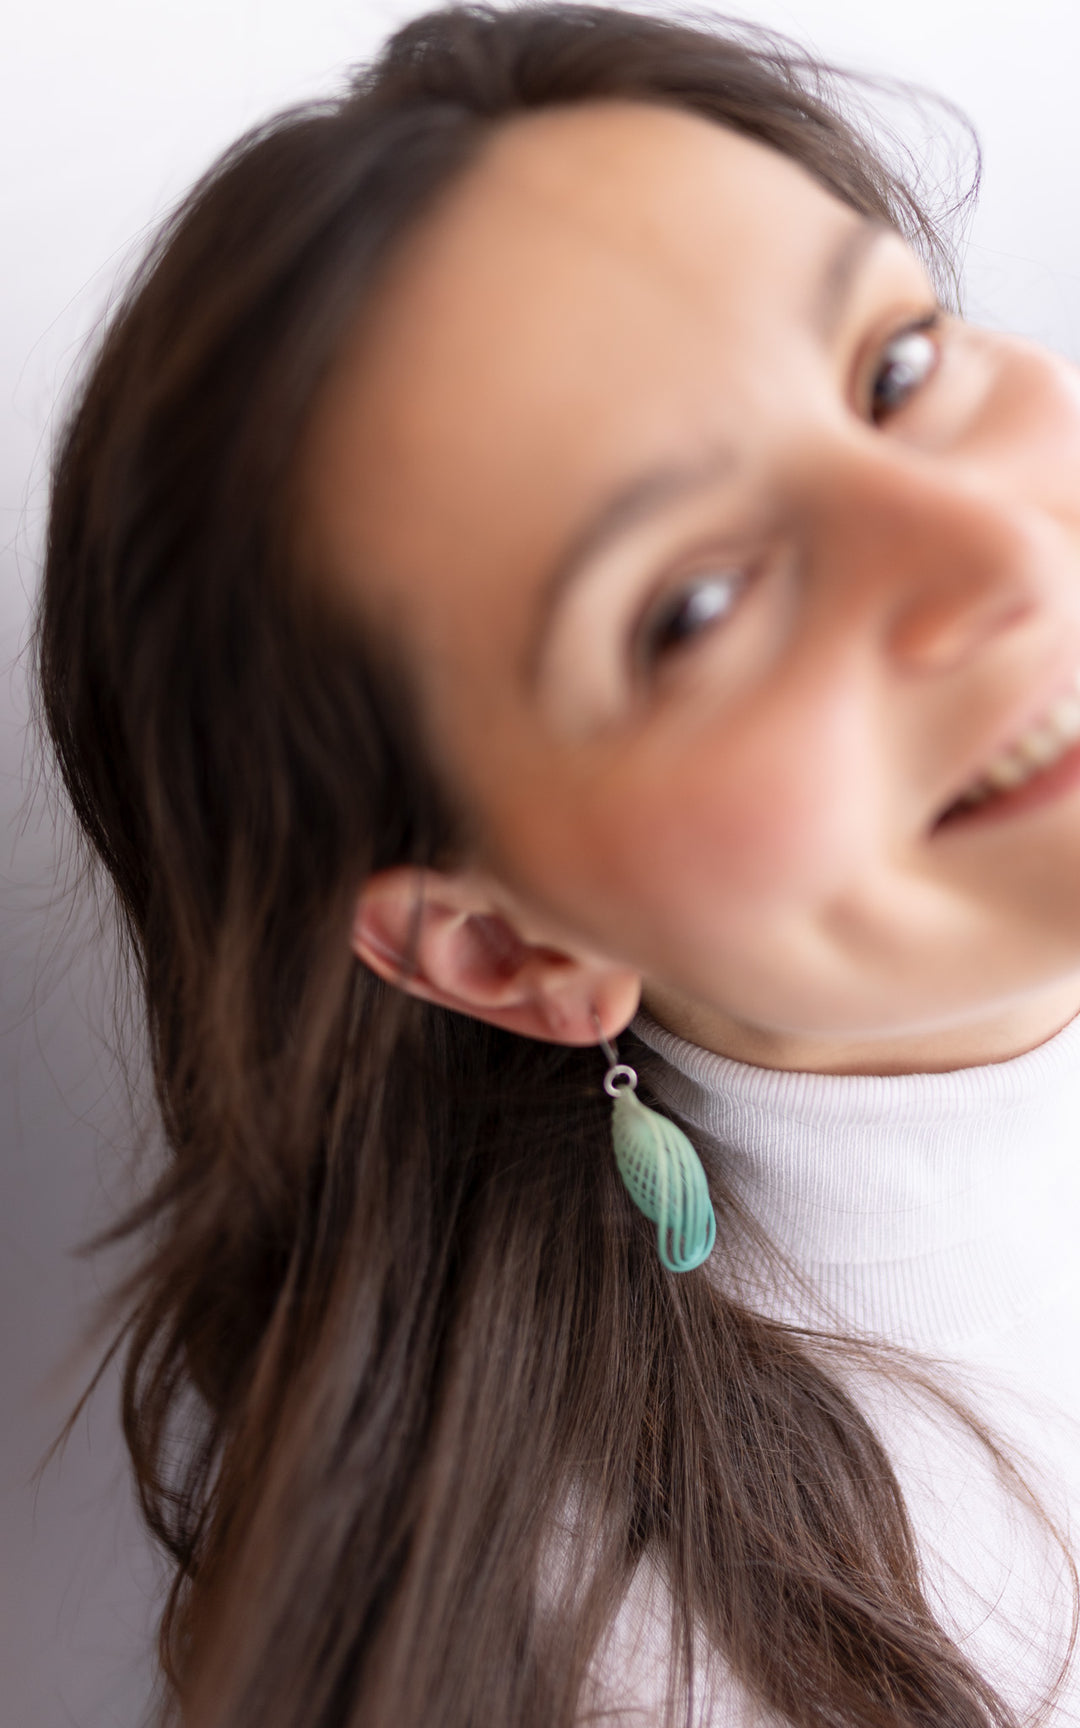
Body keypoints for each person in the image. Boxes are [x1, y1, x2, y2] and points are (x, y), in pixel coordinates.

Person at [36, 3, 1080, 1724]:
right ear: (501, 949)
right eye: (692, 608)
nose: (994, 552)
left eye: (894, 369)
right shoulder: (619, 1662)